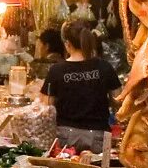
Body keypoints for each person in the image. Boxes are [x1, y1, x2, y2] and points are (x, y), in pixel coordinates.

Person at [42, 19, 122, 149]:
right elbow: (119, 100)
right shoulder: (104, 67)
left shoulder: (56, 70)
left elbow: (46, 106)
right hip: (98, 136)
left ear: (67, 44)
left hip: (65, 136)